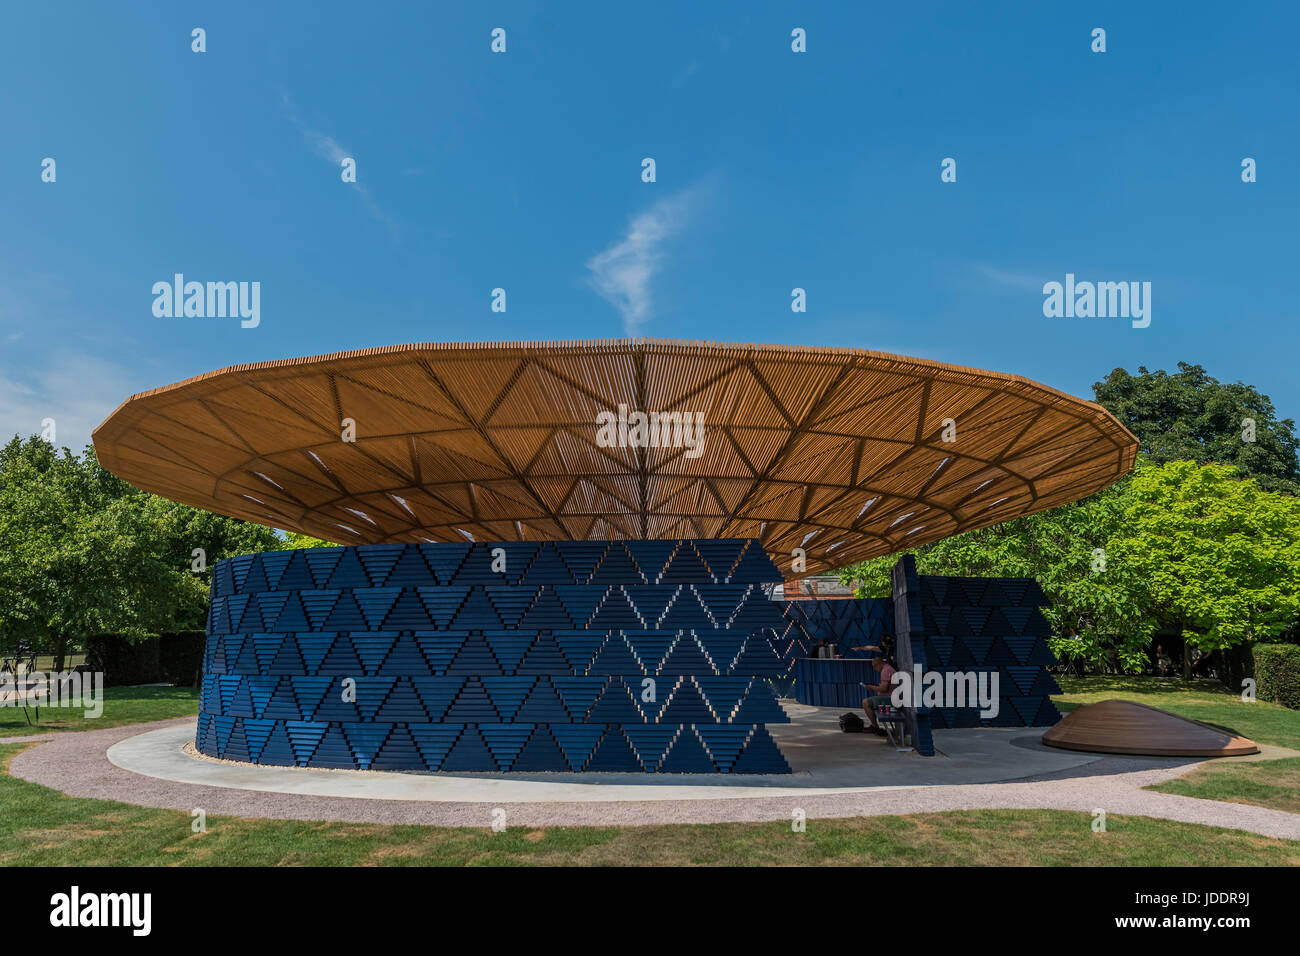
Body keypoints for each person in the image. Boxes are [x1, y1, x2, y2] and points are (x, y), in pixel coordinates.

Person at [853, 642, 898, 736]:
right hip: (891, 696)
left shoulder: (885, 670)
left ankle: (874, 726)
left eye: (874, 666)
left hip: (890, 698)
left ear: (879, 664)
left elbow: (884, 689)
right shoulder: (887, 668)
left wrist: (871, 687)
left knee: (865, 702)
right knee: (870, 701)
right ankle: (874, 725)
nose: (874, 669)